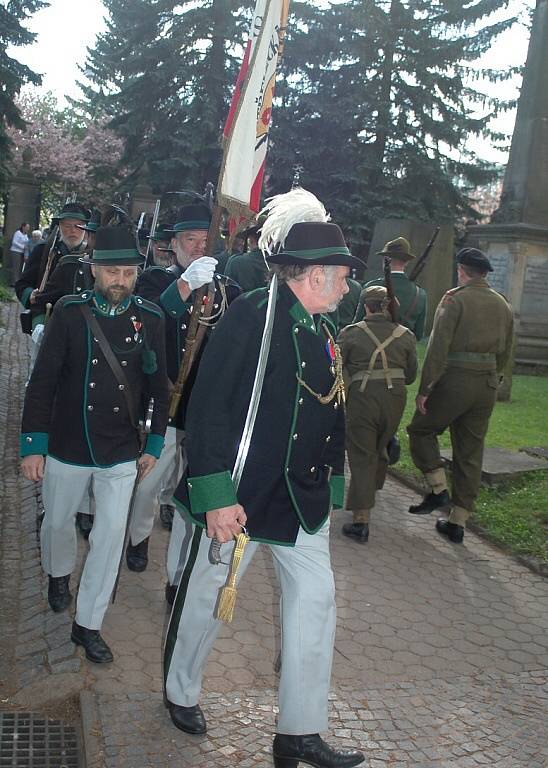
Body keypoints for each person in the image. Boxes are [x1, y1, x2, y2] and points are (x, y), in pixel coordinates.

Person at [164, 189, 365, 768]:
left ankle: (298, 732)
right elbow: (209, 409)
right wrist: (215, 495)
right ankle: (181, 689)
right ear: (316, 275)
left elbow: (333, 410)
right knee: (205, 600)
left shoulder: (325, 330)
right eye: (343, 275)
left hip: (301, 499)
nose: (349, 285)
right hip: (241, 496)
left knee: (316, 603)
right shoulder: (253, 315)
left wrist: (331, 485)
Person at [20, 227, 169, 662]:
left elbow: (160, 387)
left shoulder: (151, 318)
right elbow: (42, 382)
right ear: (95, 270)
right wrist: (34, 444)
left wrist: (155, 442)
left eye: (127, 272)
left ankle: (89, 624)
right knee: (57, 522)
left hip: (120, 448)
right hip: (67, 442)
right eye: (111, 272)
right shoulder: (70, 312)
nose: (119, 280)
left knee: (109, 538)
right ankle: (58, 573)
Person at [131, 204, 240, 594]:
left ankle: (177, 577)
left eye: (204, 241)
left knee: (186, 498)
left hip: (204, 412)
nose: (197, 247)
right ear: (173, 245)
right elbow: (145, 321)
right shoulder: (153, 280)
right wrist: (184, 287)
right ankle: (138, 536)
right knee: (145, 486)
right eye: (189, 241)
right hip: (162, 406)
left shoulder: (229, 291)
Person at [407, 247, 514, 543]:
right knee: (470, 451)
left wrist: (426, 388)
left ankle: (438, 489)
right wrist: (493, 376)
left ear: (462, 271)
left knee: (420, 429)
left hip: (456, 380)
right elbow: (506, 349)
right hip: (487, 384)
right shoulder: (502, 303)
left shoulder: (455, 299)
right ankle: (458, 522)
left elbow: (438, 348)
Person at [339, 286, 417, 543]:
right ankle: (372, 489)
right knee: (381, 445)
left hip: (363, 398)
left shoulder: (351, 334)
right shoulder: (406, 336)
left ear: (366, 307)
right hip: (394, 400)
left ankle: (361, 519)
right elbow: (411, 375)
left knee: (362, 455)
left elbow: (337, 367)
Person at [15, 203, 91, 333]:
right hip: (46, 317)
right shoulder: (43, 251)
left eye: (78, 226)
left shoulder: (92, 256)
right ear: (60, 226)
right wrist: (30, 295)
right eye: (67, 226)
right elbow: (22, 285)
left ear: (85, 228)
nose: (73, 230)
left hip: (82, 324)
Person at [354, 237, 427, 340]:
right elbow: (418, 335)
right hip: (401, 352)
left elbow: (357, 325)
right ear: (407, 262)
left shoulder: (371, 287)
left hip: (369, 350)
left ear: (385, 260)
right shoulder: (420, 294)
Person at [225, 223, 269, 291]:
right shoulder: (278, 263)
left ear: (251, 240)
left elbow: (226, 291)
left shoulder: (236, 261)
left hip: (239, 301)